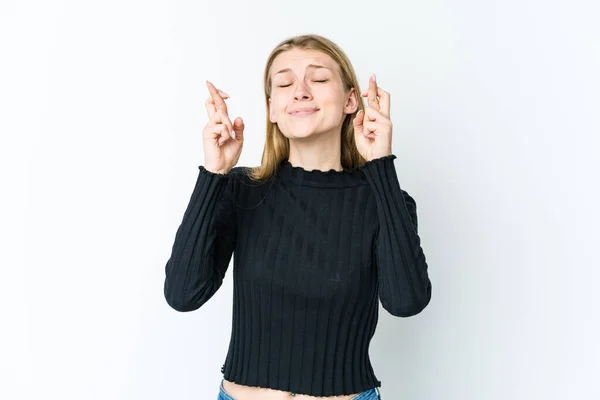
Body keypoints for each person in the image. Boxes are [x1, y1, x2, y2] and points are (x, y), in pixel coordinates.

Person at [163, 34, 432, 400]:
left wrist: (381, 167)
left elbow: (406, 303)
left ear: (351, 100)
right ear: (273, 109)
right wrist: (214, 174)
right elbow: (183, 294)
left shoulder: (385, 201)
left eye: (318, 79)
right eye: (285, 83)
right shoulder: (241, 189)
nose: (301, 91)